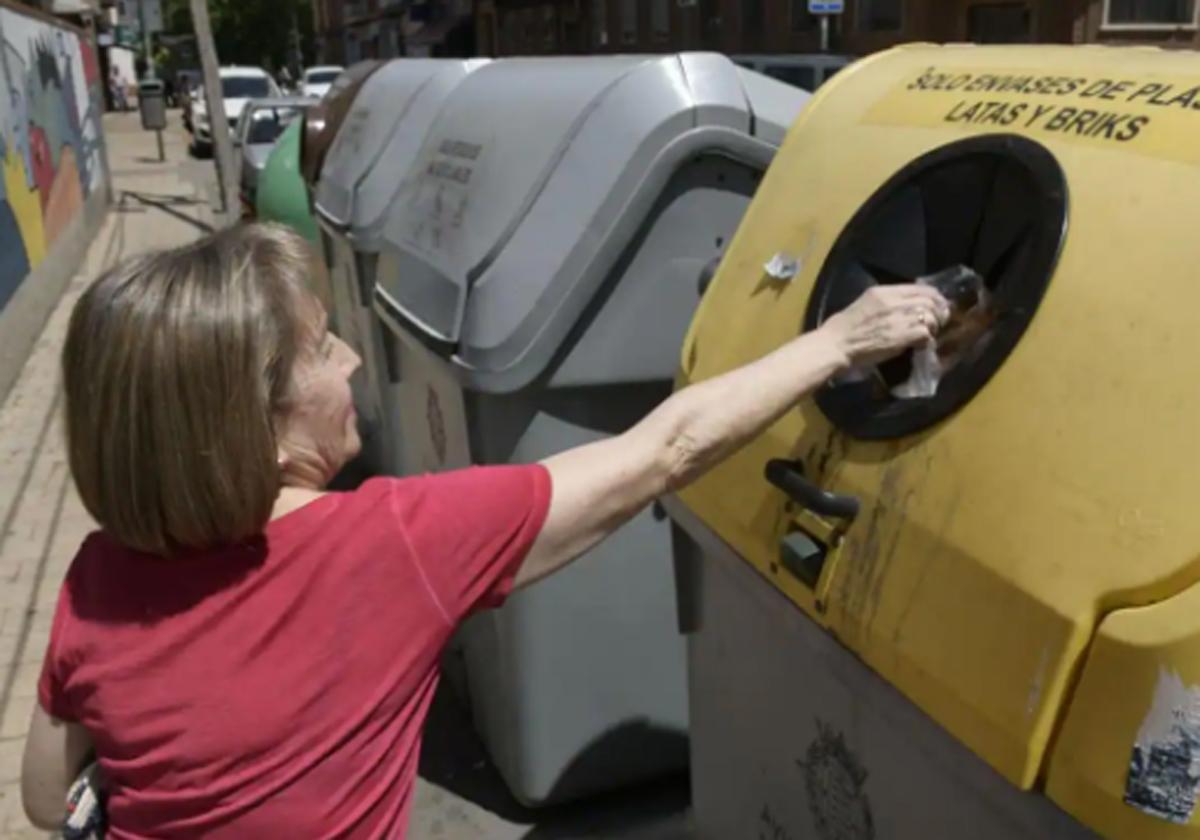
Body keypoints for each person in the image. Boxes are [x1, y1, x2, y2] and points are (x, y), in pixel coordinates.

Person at [20, 224, 948, 837]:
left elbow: (40, 794)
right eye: (318, 348)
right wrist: (838, 342)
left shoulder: (96, 576)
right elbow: (663, 450)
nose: (350, 359)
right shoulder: (392, 546)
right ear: (249, 424)